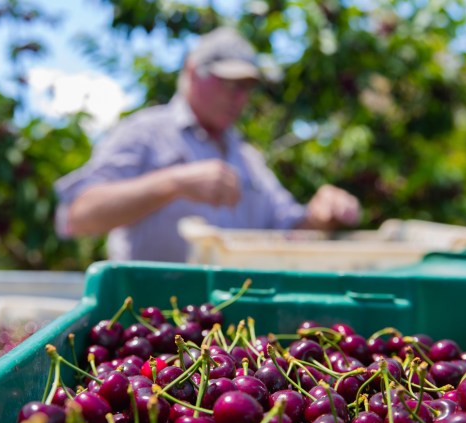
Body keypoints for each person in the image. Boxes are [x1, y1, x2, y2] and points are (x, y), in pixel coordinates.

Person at [54, 26, 361, 262]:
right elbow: (79, 215)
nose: (239, 97)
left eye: (247, 87)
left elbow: (287, 234)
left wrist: (320, 217)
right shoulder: (145, 133)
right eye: (229, 82)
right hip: (150, 326)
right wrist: (173, 182)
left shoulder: (247, 158)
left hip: (230, 326)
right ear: (192, 71)